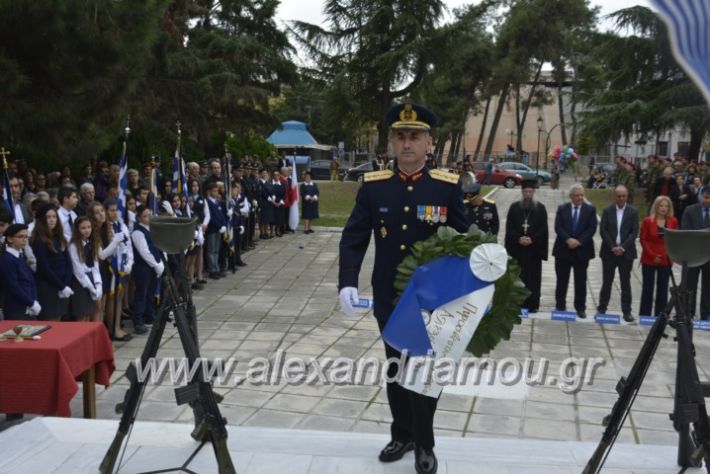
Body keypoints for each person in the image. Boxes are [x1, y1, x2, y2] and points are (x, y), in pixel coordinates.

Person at [339, 102, 466, 474]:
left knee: (424, 372)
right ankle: (403, 433)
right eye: (401, 136)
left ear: (429, 143)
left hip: (431, 300)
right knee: (396, 367)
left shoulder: (447, 188)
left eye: (415, 136)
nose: (407, 143)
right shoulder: (374, 188)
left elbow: (466, 240)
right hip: (390, 297)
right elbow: (354, 235)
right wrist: (348, 280)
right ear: (392, 143)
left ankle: (424, 443)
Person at [552, 183, 598, 318]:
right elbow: (558, 227)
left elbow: (592, 228)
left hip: (582, 251)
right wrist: (568, 240)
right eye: (577, 195)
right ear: (571, 196)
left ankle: (580, 307)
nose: (580, 198)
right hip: (563, 250)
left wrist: (578, 241)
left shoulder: (590, 210)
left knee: (581, 281)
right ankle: (560, 305)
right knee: (562, 280)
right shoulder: (562, 208)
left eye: (582, 195)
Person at [504, 179, 548, 313]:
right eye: (525, 192)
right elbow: (509, 227)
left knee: (533, 279)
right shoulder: (514, 207)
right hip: (518, 250)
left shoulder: (541, 208)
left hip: (533, 251)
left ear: (534, 192)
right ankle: (517, 303)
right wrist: (519, 238)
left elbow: (543, 229)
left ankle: (532, 304)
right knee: (518, 277)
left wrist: (531, 239)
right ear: (522, 192)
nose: (528, 194)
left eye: (530, 191)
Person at [596, 186, 639, 322]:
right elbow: (603, 231)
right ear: (614, 196)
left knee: (625, 283)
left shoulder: (633, 211)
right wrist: (613, 247)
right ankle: (602, 308)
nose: (621, 198)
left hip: (626, 253)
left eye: (623, 196)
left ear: (627, 196)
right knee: (607, 281)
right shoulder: (607, 211)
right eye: (618, 196)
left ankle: (627, 311)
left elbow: (634, 232)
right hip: (609, 252)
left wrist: (623, 247)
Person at [30, 203, 73, 321]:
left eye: (54, 217)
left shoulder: (59, 237)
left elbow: (68, 262)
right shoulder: (40, 241)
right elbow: (44, 268)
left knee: (58, 319)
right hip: (48, 287)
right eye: (48, 217)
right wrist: (61, 286)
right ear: (42, 219)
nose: (52, 220)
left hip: (62, 286)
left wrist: (66, 284)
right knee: (50, 320)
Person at [639, 196, 678, 317]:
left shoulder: (673, 221)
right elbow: (643, 239)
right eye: (661, 205)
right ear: (656, 206)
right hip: (649, 258)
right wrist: (652, 255)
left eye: (666, 206)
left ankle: (660, 316)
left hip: (666, 259)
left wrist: (665, 255)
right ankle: (645, 315)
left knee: (663, 289)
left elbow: (674, 240)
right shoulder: (647, 221)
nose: (664, 208)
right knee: (647, 288)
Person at [131, 205, 164, 334]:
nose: (148, 218)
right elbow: (144, 252)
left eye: (149, 215)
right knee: (141, 294)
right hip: (143, 267)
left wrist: (160, 261)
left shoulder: (150, 229)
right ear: (139, 218)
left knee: (151, 292)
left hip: (153, 266)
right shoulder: (138, 232)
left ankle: (149, 315)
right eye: (145, 216)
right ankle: (137, 321)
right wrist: (156, 264)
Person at [0, 224, 40, 320]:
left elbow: (30, 280)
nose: (24, 239)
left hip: (28, 304)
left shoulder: (20, 256)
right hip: (16, 308)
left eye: (26, 237)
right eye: (20, 237)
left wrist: (34, 300)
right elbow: (13, 286)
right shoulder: (7, 259)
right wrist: (30, 302)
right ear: (10, 239)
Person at [681, 186, 710, 320]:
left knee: (708, 287)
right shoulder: (690, 211)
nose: (708, 201)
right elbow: (685, 231)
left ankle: (706, 314)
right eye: (706, 197)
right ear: (700, 196)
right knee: (690, 285)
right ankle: (688, 312)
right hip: (693, 255)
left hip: (708, 255)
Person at [68, 216, 102, 322]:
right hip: (81, 283)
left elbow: (95, 266)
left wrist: (98, 285)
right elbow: (78, 270)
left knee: (94, 309)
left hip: (92, 278)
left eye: (89, 227)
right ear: (77, 230)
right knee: (83, 314)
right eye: (83, 228)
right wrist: (91, 288)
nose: (87, 230)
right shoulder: (73, 245)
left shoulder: (91, 243)